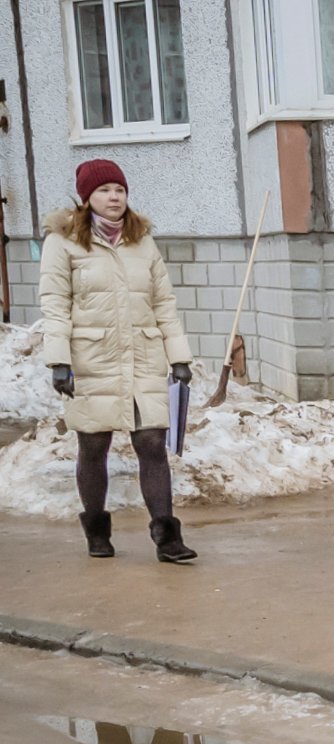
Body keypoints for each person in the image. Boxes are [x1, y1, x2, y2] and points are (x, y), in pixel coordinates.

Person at [38, 159, 197, 562]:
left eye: (120, 190)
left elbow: (163, 303)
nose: (114, 197)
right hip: (91, 357)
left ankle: (167, 537)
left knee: (151, 442)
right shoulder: (65, 241)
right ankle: (96, 531)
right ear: (87, 197)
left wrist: (178, 357)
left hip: (143, 355)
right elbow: (55, 303)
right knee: (94, 444)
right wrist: (59, 360)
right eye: (105, 190)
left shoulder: (142, 240)